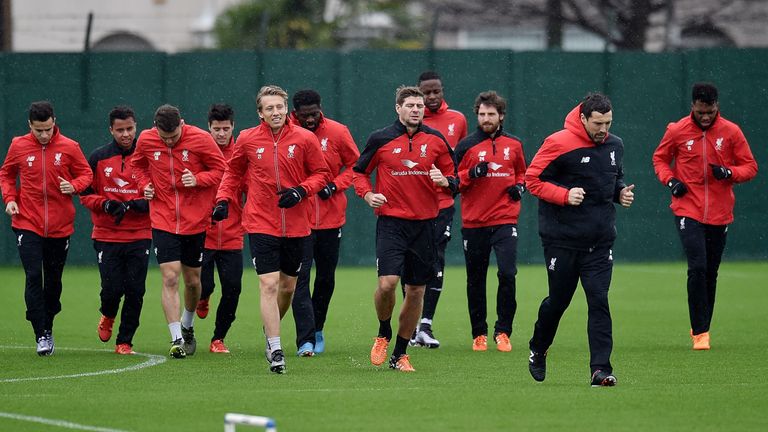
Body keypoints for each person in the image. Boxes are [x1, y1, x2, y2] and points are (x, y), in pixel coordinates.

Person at [214, 85, 331, 374]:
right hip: (260, 222)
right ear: (260, 113)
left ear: (286, 107)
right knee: (268, 284)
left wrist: (301, 191)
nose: (275, 112)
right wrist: (223, 199)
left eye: (279, 107)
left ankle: (271, 329)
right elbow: (233, 171)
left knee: (288, 288)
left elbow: (322, 174)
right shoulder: (247, 139)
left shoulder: (304, 138)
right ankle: (276, 346)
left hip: (297, 225)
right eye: (269, 108)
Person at [525, 93, 635, 387]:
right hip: (562, 241)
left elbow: (612, 180)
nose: (603, 129)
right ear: (583, 118)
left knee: (599, 301)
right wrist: (564, 195)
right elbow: (532, 180)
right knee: (558, 302)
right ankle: (538, 346)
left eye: (608, 123)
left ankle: (600, 370)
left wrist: (620, 192)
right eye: (598, 123)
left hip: (599, 243)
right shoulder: (558, 143)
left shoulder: (615, 145)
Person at [352, 85, 457, 372]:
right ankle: (384, 331)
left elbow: (454, 178)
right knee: (387, 284)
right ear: (398, 108)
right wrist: (368, 195)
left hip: (425, 225)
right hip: (391, 223)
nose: (415, 110)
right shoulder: (380, 138)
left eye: (419, 106)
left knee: (415, 292)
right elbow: (359, 173)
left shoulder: (436, 140)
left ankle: (399, 354)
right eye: (409, 105)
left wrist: (444, 181)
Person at [652, 83, 757, 350]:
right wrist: (671, 181)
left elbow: (750, 166)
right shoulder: (677, 131)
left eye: (710, 111)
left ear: (717, 107)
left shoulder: (731, 131)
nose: (706, 117)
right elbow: (660, 159)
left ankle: (703, 326)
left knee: (711, 271)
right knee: (697, 266)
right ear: (693, 108)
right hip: (688, 208)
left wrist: (729, 173)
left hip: (720, 213)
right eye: (701, 112)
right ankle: (700, 332)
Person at [130, 104, 227, 359]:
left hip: (195, 220)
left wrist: (197, 179)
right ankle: (176, 339)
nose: (169, 141)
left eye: (173, 136)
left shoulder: (201, 139)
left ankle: (187, 324)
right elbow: (137, 166)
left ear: (182, 124)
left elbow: (220, 170)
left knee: (194, 282)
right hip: (162, 219)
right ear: (156, 129)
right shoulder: (147, 139)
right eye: (165, 138)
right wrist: (145, 185)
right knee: (170, 277)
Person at [0, 101, 93, 356]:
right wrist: (10, 199)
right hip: (26, 222)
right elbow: (6, 174)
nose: (43, 135)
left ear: (54, 122)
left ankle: (48, 325)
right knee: (33, 276)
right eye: (38, 130)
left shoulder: (70, 147)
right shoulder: (18, 145)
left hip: (60, 226)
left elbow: (87, 174)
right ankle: (40, 333)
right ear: (30, 125)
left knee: (53, 282)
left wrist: (73, 185)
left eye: (48, 129)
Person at [289, 89, 360, 357]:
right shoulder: (287, 134)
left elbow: (357, 166)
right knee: (299, 280)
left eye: (314, 113)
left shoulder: (339, 132)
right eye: (304, 115)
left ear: (321, 108)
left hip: (331, 220)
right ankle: (305, 338)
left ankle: (318, 328)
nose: (310, 119)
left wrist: (336, 185)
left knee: (326, 279)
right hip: (299, 221)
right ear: (294, 113)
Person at [455, 91, 526, 352]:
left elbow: (522, 173)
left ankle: (503, 331)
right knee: (476, 278)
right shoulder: (466, 146)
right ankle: (479, 333)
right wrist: (471, 173)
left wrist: (520, 187)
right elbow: (452, 182)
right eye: (482, 114)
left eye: (491, 114)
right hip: (474, 222)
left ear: (501, 116)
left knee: (507, 273)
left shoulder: (515, 145)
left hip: (505, 219)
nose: (486, 119)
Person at [80, 106, 152, 355]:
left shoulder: (147, 159)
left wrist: (134, 205)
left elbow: (156, 196)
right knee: (112, 289)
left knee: (135, 290)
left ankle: (125, 341)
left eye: (130, 129)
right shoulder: (98, 158)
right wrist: (106, 203)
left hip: (140, 235)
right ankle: (108, 314)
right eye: (120, 130)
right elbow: (85, 193)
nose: (126, 134)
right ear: (111, 130)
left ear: (136, 127)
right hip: (106, 235)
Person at [408, 71, 468, 348]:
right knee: (410, 263)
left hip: (443, 203)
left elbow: (461, 160)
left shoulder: (457, 120)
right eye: (426, 93)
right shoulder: (410, 120)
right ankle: (409, 326)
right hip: (412, 204)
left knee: (436, 260)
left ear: (442, 91)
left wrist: (453, 183)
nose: (431, 97)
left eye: (436, 91)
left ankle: (426, 325)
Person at [194, 104, 246, 354]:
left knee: (233, 287)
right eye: (217, 129)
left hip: (233, 233)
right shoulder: (199, 152)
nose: (222, 133)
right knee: (204, 285)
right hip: (202, 233)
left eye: (226, 128)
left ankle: (218, 338)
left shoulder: (242, 152)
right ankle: (202, 299)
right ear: (209, 128)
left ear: (233, 127)